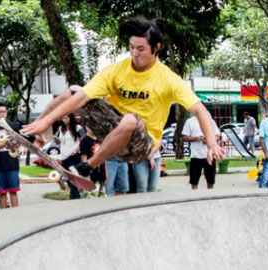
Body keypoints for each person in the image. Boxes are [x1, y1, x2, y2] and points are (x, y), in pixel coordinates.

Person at [21, 18, 225, 180]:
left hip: (141, 145)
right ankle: (35, 131)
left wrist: (211, 143)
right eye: (131, 47)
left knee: (130, 119)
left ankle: (87, 167)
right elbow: (82, 97)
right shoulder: (117, 71)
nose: (135, 54)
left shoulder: (168, 79)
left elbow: (200, 110)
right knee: (74, 90)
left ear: (157, 47)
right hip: (113, 131)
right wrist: (47, 121)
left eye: (141, 49)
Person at [0, 103, 21, 209]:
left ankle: (16, 213)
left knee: (14, 191)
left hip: (12, 163)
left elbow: (19, 142)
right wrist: (6, 142)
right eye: (0, 112)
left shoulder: (13, 126)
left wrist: (3, 143)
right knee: (2, 192)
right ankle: (3, 215)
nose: (2, 114)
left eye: (4, 111)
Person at [182, 116, 220, 189]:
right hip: (196, 156)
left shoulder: (210, 120)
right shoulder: (190, 121)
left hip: (210, 155)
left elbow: (217, 135)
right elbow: (185, 137)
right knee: (194, 180)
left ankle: (210, 194)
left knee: (211, 180)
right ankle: (194, 195)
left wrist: (209, 140)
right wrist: (197, 138)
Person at [57, 114, 83, 199]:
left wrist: (76, 149)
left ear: (70, 118)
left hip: (74, 157)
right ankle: (76, 197)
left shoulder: (77, 128)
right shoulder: (61, 129)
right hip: (64, 157)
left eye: (66, 118)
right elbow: (59, 140)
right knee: (67, 178)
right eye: (62, 118)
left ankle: (73, 198)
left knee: (73, 179)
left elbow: (83, 139)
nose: (64, 120)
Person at [80, 126, 106, 195]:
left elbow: (104, 157)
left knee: (101, 194)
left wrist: (106, 173)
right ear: (87, 127)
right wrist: (87, 175)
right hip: (91, 172)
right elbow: (84, 158)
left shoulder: (99, 139)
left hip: (101, 171)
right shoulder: (84, 140)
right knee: (91, 194)